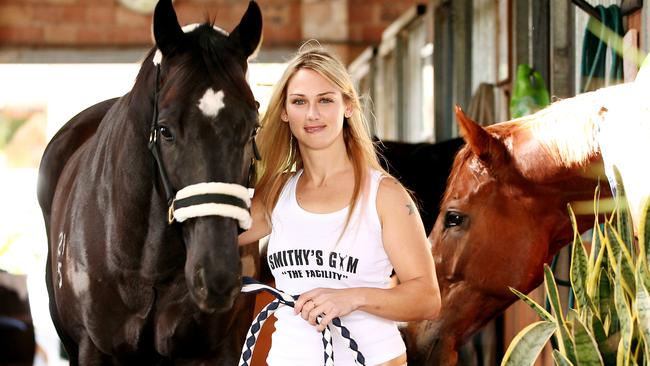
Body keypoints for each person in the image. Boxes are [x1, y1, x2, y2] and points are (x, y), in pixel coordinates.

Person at [238, 43, 441, 366]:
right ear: (284, 112)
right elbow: (208, 230)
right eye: (299, 102)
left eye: (325, 100)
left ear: (347, 106)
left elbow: (427, 299)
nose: (313, 114)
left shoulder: (385, 196)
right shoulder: (276, 192)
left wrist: (351, 297)